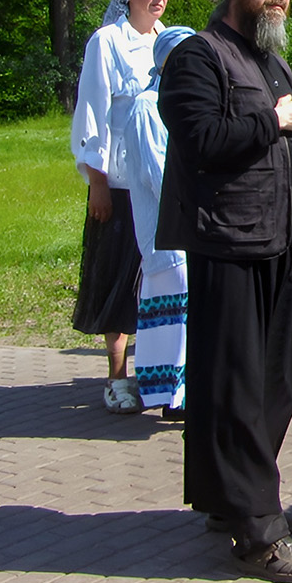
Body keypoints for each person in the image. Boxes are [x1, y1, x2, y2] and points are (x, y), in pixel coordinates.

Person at [157, 0, 292, 583]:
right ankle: (259, 533)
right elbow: (202, 138)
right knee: (234, 385)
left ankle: (226, 502)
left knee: (278, 379)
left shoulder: (271, 59)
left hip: (281, 241)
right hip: (229, 242)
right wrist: (273, 121)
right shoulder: (197, 57)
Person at [70, 0, 171, 414]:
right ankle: (117, 375)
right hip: (122, 180)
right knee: (118, 277)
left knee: (161, 275)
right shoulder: (107, 42)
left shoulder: (168, 42)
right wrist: (97, 182)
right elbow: (92, 112)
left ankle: (162, 370)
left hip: (164, 179)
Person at [121, 24, 195, 416]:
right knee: (175, 316)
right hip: (168, 232)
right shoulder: (147, 106)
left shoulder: (183, 104)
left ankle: (182, 394)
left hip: (191, 228)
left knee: (188, 315)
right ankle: (173, 396)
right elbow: (158, 173)